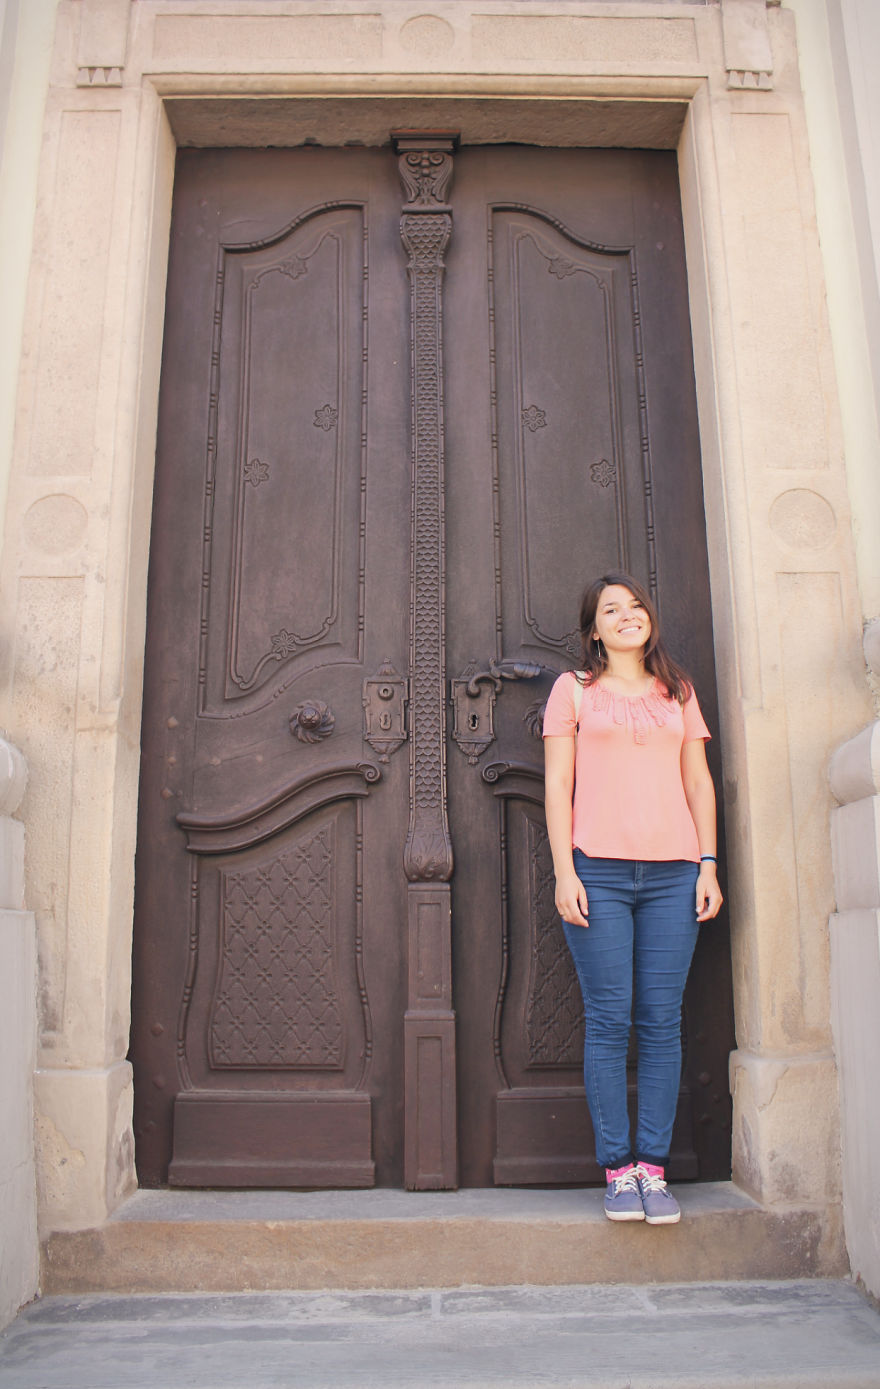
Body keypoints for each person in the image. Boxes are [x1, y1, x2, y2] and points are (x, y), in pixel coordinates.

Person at [542, 571, 723, 1225]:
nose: (626, 615)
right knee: (611, 1018)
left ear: (649, 619)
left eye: (636, 604)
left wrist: (707, 864)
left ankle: (654, 1168)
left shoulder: (677, 691)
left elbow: (698, 784)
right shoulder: (575, 692)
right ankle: (618, 1171)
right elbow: (558, 785)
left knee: (660, 1019)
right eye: (611, 609)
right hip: (601, 875)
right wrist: (566, 872)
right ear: (594, 629)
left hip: (675, 875)